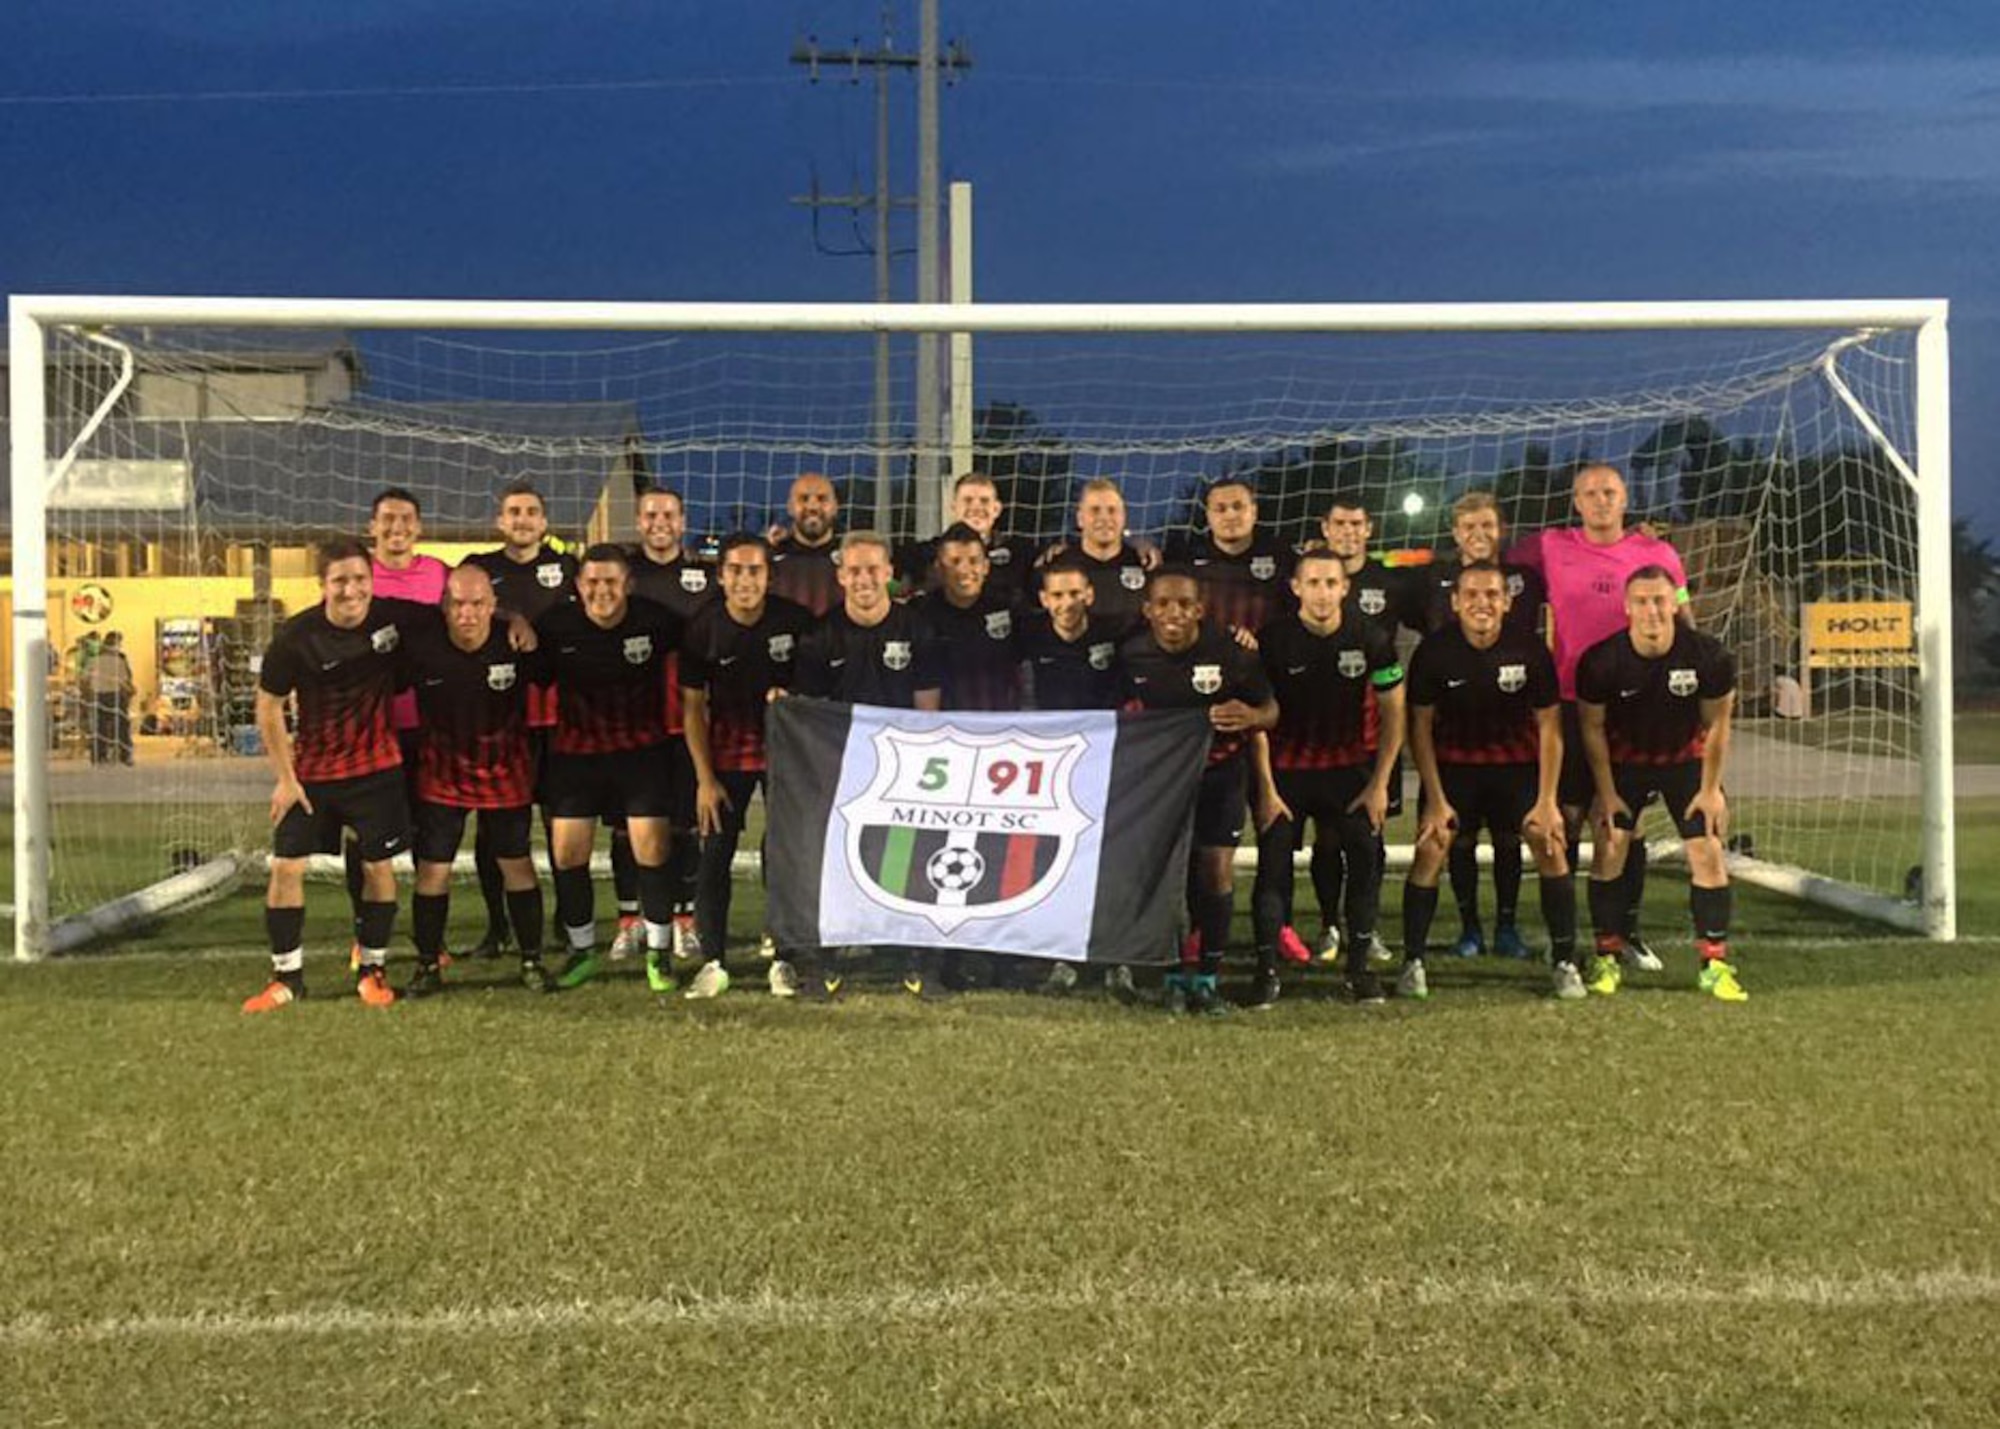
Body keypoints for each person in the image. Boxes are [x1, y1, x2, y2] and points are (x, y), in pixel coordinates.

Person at [1509, 464, 1690, 973]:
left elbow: (1683, 620)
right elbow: (1490, 555)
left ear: (1625, 498)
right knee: (1562, 820)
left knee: (1621, 823)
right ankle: (1561, 937)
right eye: (1590, 493)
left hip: (1636, 705)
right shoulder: (1546, 547)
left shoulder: (1657, 554)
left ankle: (1623, 932)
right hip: (1568, 703)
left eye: (1609, 492)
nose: (1601, 500)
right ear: (1576, 501)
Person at [242, 541, 424, 1013]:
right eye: (340, 580)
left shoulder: (392, 619)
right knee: (285, 868)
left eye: (360, 579)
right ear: (322, 585)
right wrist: (285, 778)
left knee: (377, 868)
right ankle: (286, 977)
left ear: (371, 580)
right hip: (312, 775)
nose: (351, 590)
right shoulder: (296, 637)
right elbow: (268, 706)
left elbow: (453, 609)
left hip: (378, 768)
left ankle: (373, 969)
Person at [1402, 562, 1576, 1002]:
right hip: (1454, 769)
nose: (1483, 603)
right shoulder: (1434, 652)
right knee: (1432, 846)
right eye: (1473, 595)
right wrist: (1436, 799)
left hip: (1516, 769)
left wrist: (1548, 800)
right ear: (1456, 601)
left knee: (1548, 841)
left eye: (1492, 595)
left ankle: (1565, 961)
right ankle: (1413, 962)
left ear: (1507, 601)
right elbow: (1418, 728)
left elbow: (1551, 729)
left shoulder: (1530, 649)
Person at [1575, 566, 1746, 1002]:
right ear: (1626, 608)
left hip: (1684, 763)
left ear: (1674, 603)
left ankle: (1714, 964)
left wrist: (1711, 791)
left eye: (1659, 601)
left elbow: (1718, 726)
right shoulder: (1601, 661)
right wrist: (1607, 793)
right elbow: (1592, 729)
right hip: (1624, 764)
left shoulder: (1709, 656)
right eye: (1641, 602)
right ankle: (1607, 957)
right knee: (1610, 846)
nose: (1651, 610)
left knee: (1707, 850)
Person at [792, 530, 945, 998]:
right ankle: (826, 959)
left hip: (900, 766)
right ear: (840, 576)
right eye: (854, 570)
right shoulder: (822, 634)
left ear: (889, 573)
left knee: (904, 859)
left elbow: (928, 710)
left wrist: (918, 769)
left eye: (872, 569)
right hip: (841, 767)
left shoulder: (916, 629)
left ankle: (913, 957)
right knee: (836, 862)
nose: (863, 579)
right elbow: (811, 713)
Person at [1120, 566, 1279, 1016]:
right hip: (1162, 782)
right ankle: (1171, 976)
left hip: (1221, 776)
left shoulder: (1231, 653)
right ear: (1147, 610)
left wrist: (1250, 716)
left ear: (1200, 609)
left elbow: (1271, 710)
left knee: (1215, 874)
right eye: (1164, 604)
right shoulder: (1131, 656)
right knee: (1170, 875)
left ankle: (1207, 978)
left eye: (1184, 604)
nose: (1174, 613)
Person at [1248, 551, 1404, 1008]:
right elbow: (1258, 717)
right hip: (1285, 775)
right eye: (1312, 582)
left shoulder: (1372, 639)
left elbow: (1396, 714)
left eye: (1330, 583)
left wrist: (1380, 784)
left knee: (1364, 862)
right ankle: (1265, 972)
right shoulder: (1272, 640)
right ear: (1296, 588)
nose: (1321, 592)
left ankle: (1358, 970)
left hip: (1349, 774)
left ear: (1344, 588)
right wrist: (1265, 788)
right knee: (1273, 868)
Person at [533, 543, 687, 993]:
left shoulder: (658, 621)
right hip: (576, 754)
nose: (602, 591)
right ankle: (582, 952)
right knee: (566, 854)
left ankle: (658, 953)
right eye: (593, 582)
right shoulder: (554, 625)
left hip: (642, 753)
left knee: (651, 850)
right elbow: (531, 671)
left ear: (628, 585)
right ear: (579, 586)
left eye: (611, 582)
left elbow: (704, 641)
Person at [396, 563, 552, 996]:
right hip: (441, 772)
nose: (468, 613)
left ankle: (531, 960)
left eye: (478, 603)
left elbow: (554, 680)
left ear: (493, 606)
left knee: (516, 865)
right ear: (445, 606)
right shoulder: (422, 646)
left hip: (505, 771)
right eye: (459, 603)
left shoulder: (517, 643)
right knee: (433, 872)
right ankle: (428, 965)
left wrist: (519, 620)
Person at [1415, 491, 1549, 961]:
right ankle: (1469, 926)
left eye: (1487, 526)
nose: (1478, 535)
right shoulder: (1433, 578)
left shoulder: (1527, 580)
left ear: (1502, 530)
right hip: (1453, 726)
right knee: (1459, 837)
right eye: (1469, 527)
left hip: (1514, 730)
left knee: (1511, 837)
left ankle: (1507, 926)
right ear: (1455, 533)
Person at [681, 534, 814, 998]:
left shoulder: (795, 623)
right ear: (721, 575)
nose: (744, 579)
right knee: (715, 853)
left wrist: (793, 698)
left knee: (783, 855)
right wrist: (703, 779)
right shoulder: (703, 628)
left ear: (769, 575)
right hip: (726, 756)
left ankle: (785, 959)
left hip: (785, 757)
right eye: (735, 569)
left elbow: (816, 688)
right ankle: (713, 961)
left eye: (754, 570)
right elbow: (693, 709)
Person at [1304, 491, 1425, 967]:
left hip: (1373, 733)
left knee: (1368, 836)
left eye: (1358, 523)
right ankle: (1329, 924)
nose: (1349, 531)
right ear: (1326, 528)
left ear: (1369, 529)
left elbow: (1434, 614)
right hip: (1316, 733)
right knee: (1326, 838)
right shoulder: (1309, 575)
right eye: (1340, 523)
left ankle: (1365, 928)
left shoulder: (1390, 580)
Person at [462, 479, 577, 962]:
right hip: (498, 722)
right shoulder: (479, 570)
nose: (523, 519)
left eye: (532, 511)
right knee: (495, 832)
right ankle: (498, 926)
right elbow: (457, 611)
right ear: (500, 521)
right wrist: (510, 616)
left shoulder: (569, 567)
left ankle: (566, 921)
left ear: (545, 522)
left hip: (557, 719)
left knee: (561, 827)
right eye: (514, 512)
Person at [341, 487, 450, 960]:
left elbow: (464, 621)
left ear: (420, 528)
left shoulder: (438, 575)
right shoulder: (356, 574)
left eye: (406, 519)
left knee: (431, 834)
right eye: (387, 519)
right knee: (367, 837)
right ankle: (362, 932)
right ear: (372, 527)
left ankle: (432, 938)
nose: (397, 527)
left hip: (428, 727)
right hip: (371, 731)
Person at [620, 485, 715, 963]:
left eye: (669, 514)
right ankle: (630, 920)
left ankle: (684, 920)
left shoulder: (706, 574)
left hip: (685, 722)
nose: (660, 521)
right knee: (627, 827)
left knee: (686, 825)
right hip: (633, 721)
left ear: (683, 521)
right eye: (651, 514)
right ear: (638, 521)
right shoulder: (622, 574)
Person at [910, 523, 1024, 713]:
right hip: (947, 733)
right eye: (954, 561)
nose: (964, 570)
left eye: (973, 561)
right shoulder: (921, 614)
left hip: (1002, 730)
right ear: (939, 568)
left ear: (986, 566)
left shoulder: (1009, 607)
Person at [1164, 475, 1296, 635]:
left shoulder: (1281, 555)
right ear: (1208, 516)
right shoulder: (1185, 558)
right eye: (1220, 509)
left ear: (1254, 512)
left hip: (1270, 654)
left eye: (1238, 506)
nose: (1230, 515)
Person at [896, 472, 1040, 606]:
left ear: (997, 509)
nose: (976, 507)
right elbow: (889, 584)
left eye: (984, 501)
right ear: (954, 507)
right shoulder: (922, 554)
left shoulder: (1022, 554)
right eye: (968, 500)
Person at [1046, 479, 1153, 627]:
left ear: (1124, 517)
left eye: (1112, 510)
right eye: (1095, 510)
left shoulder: (1145, 563)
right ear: (1080, 519)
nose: (1104, 518)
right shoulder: (1057, 565)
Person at [767, 471, 843, 617]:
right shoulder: (770, 557)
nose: (812, 507)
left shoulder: (851, 556)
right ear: (789, 507)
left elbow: (893, 589)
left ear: (835, 507)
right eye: (803, 499)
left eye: (822, 499)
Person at [81, 631, 135, 766]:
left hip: (99, 696)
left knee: (99, 728)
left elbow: (84, 679)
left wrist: (88, 692)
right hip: (115, 696)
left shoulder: (93, 661)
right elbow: (124, 681)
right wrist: (130, 691)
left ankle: (99, 756)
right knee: (122, 726)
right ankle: (125, 755)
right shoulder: (119, 661)